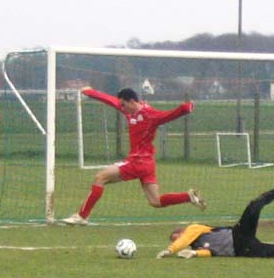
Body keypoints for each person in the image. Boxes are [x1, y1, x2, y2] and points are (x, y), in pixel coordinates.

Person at [63, 86, 206, 225]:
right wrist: (90, 92)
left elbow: (168, 115)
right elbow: (111, 100)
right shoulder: (129, 110)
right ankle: (188, 197)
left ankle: (82, 216)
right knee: (155, 201)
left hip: (139, 161)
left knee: (100, 177)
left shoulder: (150, 114)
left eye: (124, 105)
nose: (122, 108)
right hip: (147, 164)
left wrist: (186, 108)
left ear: (132, 101)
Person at [156, 175, 274, 259]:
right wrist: (195, 254)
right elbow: (210, 253)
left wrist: (170, 250)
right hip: (242, 250)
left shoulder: (194, 229)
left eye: (175, 237)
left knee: (254, 205)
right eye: (173, 240)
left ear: (181, 232)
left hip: (238, 233)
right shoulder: (196, 246)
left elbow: (183, 240)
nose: (175, 240)